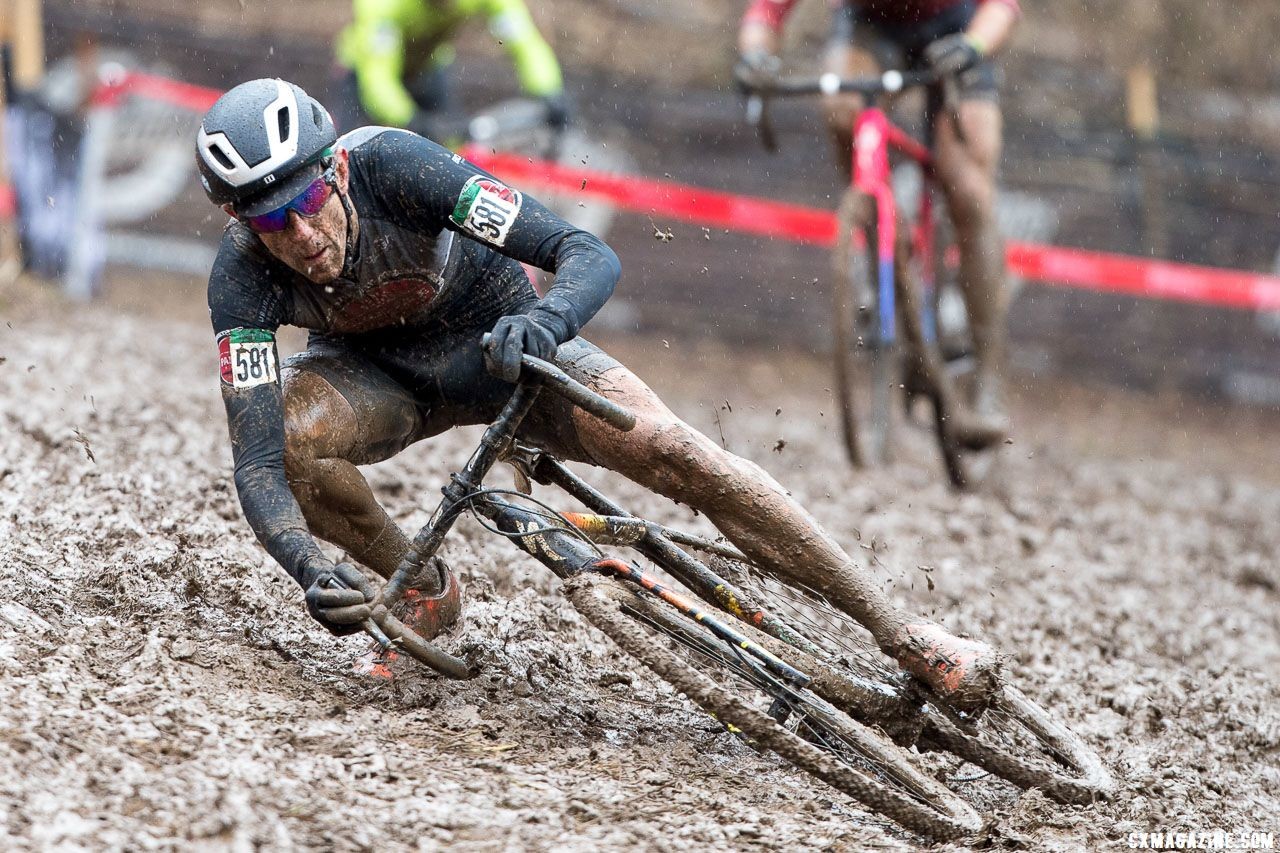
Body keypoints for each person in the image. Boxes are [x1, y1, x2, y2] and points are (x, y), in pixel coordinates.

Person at [196, 78, 998, 709]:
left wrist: (545, 323)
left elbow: (584, 252)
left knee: (675, 449)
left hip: (509, 350)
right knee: (297, 439)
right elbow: (258, 461)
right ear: (240, 222)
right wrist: (305, 564)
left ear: (333, 170)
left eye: (304, 203)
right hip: (381, 382)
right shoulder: (240, 279)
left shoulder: (397, 166)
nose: (302, 238)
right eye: (272, 223)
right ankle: (423, 588)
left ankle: (906, 633)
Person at [738, 0, 1020, 425]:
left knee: (969, 190)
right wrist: (755, 55)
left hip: (959, 24)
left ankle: (987, 369)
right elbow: (766, 10)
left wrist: (973, 46)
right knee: (841, 104)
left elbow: (1002, 6)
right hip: (872, 25)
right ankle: (884, 241)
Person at [333, 0, 569, 140]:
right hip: (362, 72)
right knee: (350, 154)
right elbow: (377, 80)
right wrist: (411, 120)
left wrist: (548, 89)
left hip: (429, 66)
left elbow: (522, 38)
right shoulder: (383, 6)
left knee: (452, 145)